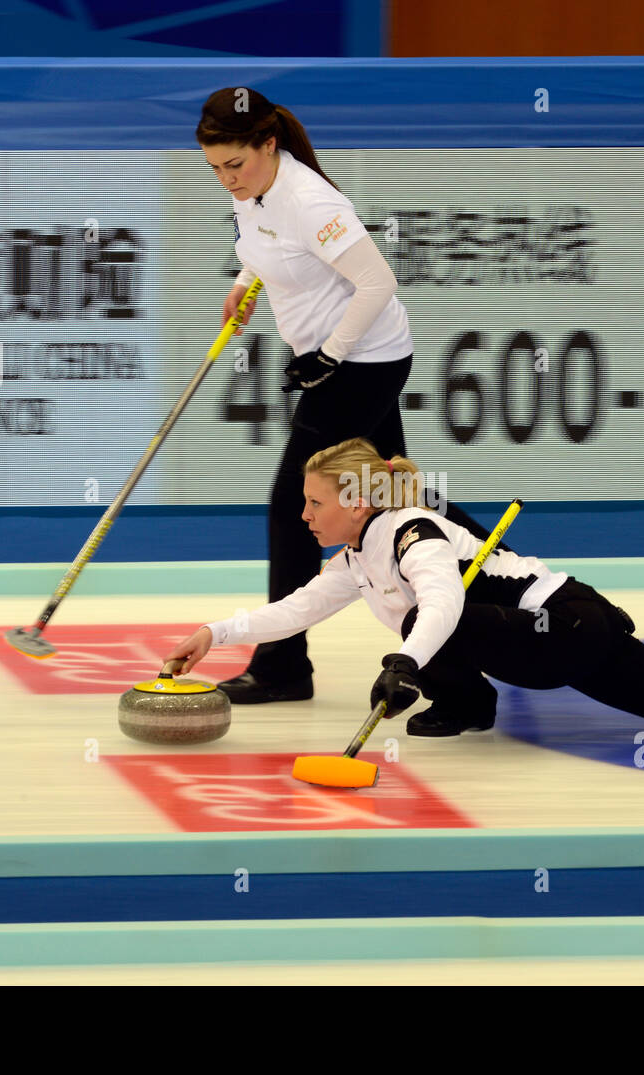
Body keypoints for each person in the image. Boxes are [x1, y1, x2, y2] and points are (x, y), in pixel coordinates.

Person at [165, 438, 644, 737]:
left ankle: (470, 703)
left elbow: (441, 604)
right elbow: (294, 608)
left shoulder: (413, 534)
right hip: (559, 637)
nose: (302, 514)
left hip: (564, 627)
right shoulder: (355, 559)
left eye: (315, 501)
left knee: (434, 625)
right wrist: (216, 633)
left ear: (359, 499)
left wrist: (406, 664)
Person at [195, 85, 499, 705]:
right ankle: (511, 580)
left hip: (362, 363)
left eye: (236, 164)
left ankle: (282, 667)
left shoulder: (310, 200)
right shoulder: (258, 191)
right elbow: (265, 241)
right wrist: (245, 282)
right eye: (215, 168)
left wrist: (329, 355)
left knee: (293, 505)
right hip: (343, 362)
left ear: (269, 145)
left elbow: (376, 281)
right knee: (397, 494)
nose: (227, 179)